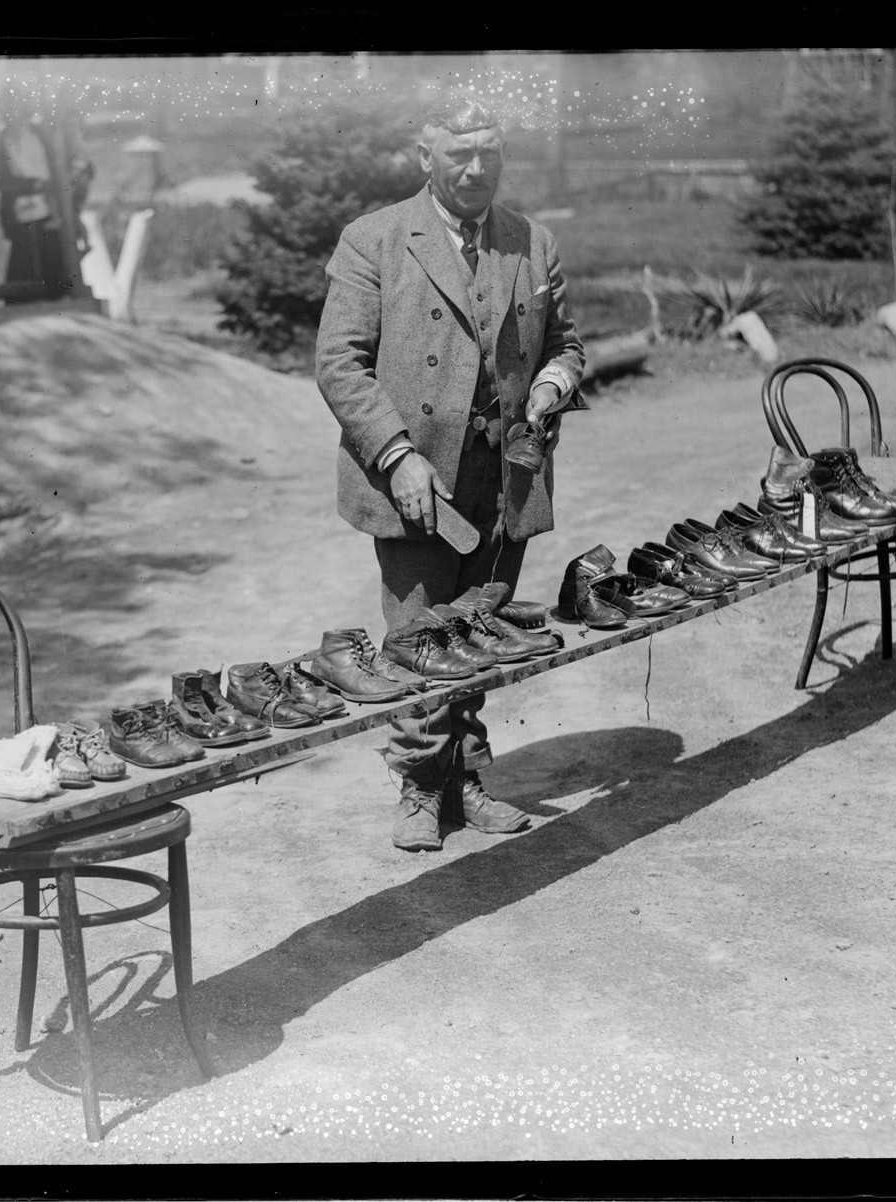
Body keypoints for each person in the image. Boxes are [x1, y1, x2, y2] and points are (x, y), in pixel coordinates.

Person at [314, 94, 587, 851]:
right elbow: (338, 364)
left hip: (506, 476)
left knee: (481, 629)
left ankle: (465, 778)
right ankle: (419, 786)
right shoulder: (374, 239)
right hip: (414, 476)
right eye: (459, 154)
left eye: (488, 154)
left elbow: (566, 345)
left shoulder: (531, 241)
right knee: (417, 634)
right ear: (425, 157)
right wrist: (396, 455)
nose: (475, 169)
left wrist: (551, 386)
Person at [0, 114, 76, 301]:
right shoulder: (1, 141)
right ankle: (19, 300)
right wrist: (32, 184)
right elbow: (1, 180)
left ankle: (56, 297)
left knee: (50, 254)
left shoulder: (38, 135)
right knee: (23, 257)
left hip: (46, 207)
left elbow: (54, 167)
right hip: (20, 208)